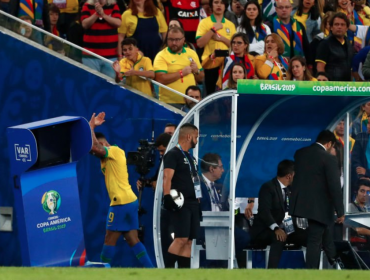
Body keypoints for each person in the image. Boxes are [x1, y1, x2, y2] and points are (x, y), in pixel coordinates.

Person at [88, 112, 154, 268]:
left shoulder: (114, 151)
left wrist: (91, 126)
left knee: (108, 239)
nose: (93, 153)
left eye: (96, 150)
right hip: (130, 201)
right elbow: (93, 147)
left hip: (120, 203)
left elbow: (94, 146)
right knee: (133, 239)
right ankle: (153, 272)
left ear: (103, 144)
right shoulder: (107, 157)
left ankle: (102, 273)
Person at [290, 130, 345, 269]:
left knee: (324, 235)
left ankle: (336, 263)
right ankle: (312, 274)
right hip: (319, 207)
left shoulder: (300, 153)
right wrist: (340, 211)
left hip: (300, 205)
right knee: (314, 240)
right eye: (332, 147)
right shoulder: (329, 158)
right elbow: (334, 187)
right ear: (329, 143)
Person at [251, 160, 307, 268]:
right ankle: (272, 274)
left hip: (287, 228)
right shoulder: (268, 187)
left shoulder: (291, 189)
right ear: (289, 176)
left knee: (311, 237)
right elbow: (264, 212)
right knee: (279, 237)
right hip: (267, 229)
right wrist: (276, 228)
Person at [198, 152, 250, 268]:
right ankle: (216, 265)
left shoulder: (218, 187)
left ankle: (222, 264)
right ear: (212, 169)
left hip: (222, 224)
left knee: (244, 237)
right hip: (206, 226)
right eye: (220, 167)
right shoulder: (198, 185)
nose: (223, 170)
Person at [162, 123, 200, 268]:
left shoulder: (191, 157)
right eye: (196, 137)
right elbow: (167, 177)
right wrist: (166, 197)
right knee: (181, 239)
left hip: (193, 204)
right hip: (181, 203)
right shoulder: (173, 154)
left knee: (189, 241)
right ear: (189, 136)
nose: (197, 140)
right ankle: (166, 273)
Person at [154, 26, 204, 108]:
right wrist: (181, 73)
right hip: (169, 103)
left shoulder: (192, 53)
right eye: (171, 39)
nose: (174, 43)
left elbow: (201, 78)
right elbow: (160, 79)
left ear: (183, 40)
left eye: (177, 40)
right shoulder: (161, 55)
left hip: (190, 103)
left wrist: (196, 71)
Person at [196, 0, 236, 96]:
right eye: (216, 2)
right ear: (211, 5)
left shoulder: (230, 24)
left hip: (227, 64)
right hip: (210, 64)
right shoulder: (204, 22)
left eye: (222, 3)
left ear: (225, 6)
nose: (219, 5)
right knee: (210, 96)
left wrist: (221, 38)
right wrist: (212, 30)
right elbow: (199, 43)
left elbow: (235, 46)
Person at [81, 0, 122, 78]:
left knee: (109, 86)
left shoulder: (113, 5)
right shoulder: (87, 6)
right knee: (91, 85)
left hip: (110, 57)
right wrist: (97, 13)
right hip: (90, 56)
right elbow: (84, 24)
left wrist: (103, 15)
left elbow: (118, 23)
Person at [315, 12, 354, 81]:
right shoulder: (325, 43)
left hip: (347, 85)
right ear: (331, 27)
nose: (339, 27)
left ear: (347, 28)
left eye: (342, 25)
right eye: (336, 24)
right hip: (331, 86)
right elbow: (320, 67)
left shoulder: (349, 44)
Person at [347, 179, 370, 250]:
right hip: (356, 247)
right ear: (356, 191)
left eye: (368, 192)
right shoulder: (350, 207)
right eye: (362, 191)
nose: (365, 194)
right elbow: (358, 229)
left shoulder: (367, 209)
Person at [351, 116, 370, 181]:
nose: (368, 126)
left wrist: (367, 172)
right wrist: (362, 177)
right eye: (368, 123)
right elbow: (355, 159)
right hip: (363, 178)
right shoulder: (360, 137)